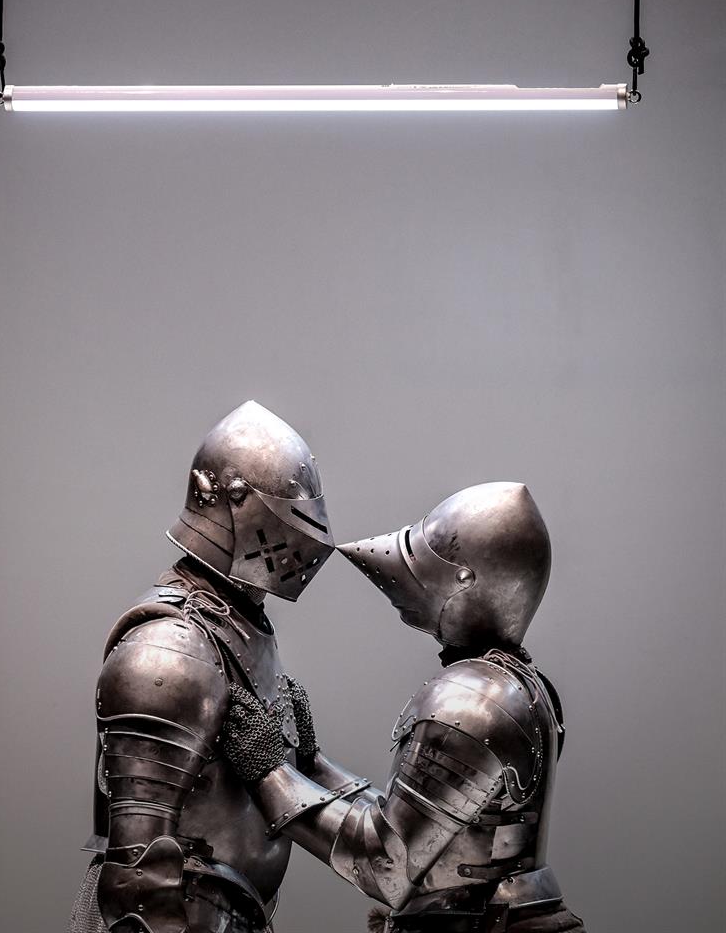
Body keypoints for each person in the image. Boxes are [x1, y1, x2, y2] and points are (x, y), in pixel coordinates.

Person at [223, 481, 587, 932]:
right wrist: (312, 766)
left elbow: (385, 864)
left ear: (466, 580)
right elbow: (415, 825)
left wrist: (268, 774)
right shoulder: (520, 685)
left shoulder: (469, 700)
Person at [70, 400, 369, 933]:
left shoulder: (237, 625)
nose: (306, 536)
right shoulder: (168, 649)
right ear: (223, 498)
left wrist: (308, 762)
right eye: (290, 513)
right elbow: (137, 881)